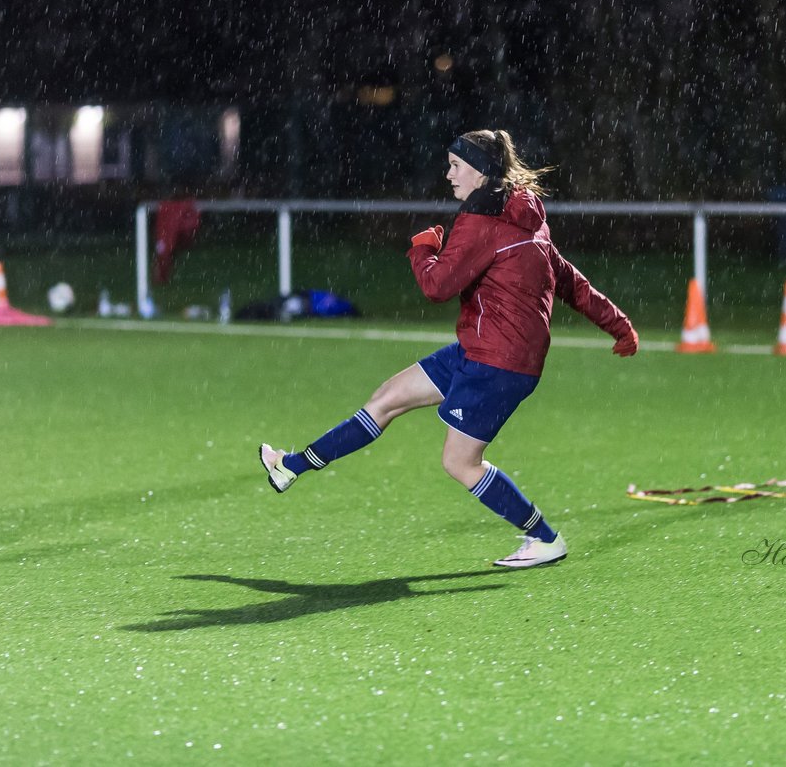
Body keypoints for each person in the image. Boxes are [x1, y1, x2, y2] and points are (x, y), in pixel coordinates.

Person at [260, 130, 638, 568]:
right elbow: (570, 279)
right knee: (387, 398)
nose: (449, 174)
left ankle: (545, 538)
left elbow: (437, 286)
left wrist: (423, 250)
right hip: (480, 349)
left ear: (481, 171)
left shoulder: (483, 221)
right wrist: (619, 325)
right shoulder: (525, 216)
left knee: (460, 463)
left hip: (499, 363)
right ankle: (291, 467)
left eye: (456, 165)